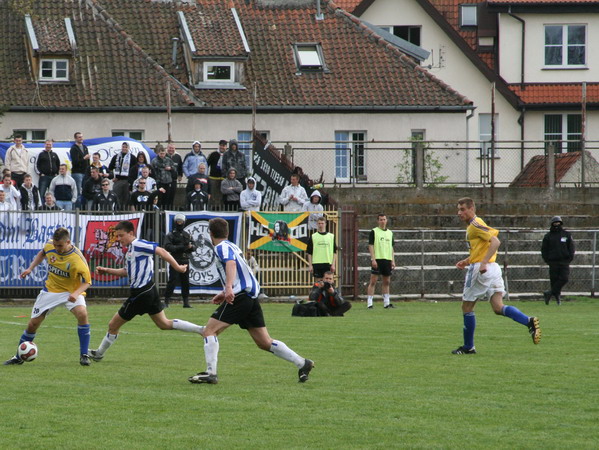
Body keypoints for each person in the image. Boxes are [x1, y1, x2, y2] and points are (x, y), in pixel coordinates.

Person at [188, 217, 314, 384]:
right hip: (249, 296)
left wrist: (229, 289)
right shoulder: (232, 245)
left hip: (240, 297)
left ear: (210, 234)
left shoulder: (220, 247)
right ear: (227, 232)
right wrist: (225, 290)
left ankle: (211, 373)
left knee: (209, 331)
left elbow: (231, 264)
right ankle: (302, 363)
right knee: (264, 342)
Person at [88, 220, 205, 362]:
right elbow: (126, 271)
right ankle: (200, 329)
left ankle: (99, 353)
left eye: (121, 235)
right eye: (117, 236)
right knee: (164, 324)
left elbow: (161, 251)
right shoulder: (131, 249)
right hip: (149, 290)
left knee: (113, 325)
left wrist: (178, 268)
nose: (118, 239)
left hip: (141, 293)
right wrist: (107, 270)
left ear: (131, 233)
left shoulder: (138, 244)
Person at [452, 197, 541, 355]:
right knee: (498, 307)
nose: (460, 212)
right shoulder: (474, 225)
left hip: (482, 269)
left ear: (472, 208)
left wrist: (483, 263)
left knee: (466, 307)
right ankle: (528, 321)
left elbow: (495, 241)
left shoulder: (475, 224)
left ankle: (468, 347)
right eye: (458, 209)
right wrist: (466, 261)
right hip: (493, 268)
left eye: (463, 209)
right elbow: (482, 247)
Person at [4, 227, 92, 366]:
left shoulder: (78, 259)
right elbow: (42, 253)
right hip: (50, 290)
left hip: (71, 291)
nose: (57, 248)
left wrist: (75, 294)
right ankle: (18, 357)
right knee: (33, 324)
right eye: (55, 245)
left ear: (68, 242)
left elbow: (87, 282)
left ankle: (84, 354)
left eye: (60, 245)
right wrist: (30, 268)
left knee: (82, 314)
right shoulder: (50, 245)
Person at [541, 216, 575, 305]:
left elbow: (571, 247)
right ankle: (557, 298)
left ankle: (549, 293)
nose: (557, 224)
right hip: (553, 262)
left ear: (561, 223)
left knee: (564, 278)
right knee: (554, 280)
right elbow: (544, 249)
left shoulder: (566, 235)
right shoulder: (548, 236)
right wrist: (547, 260)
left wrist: (569, 258)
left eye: (558, 223)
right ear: (552, 224)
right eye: (555, 223)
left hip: (564, 261)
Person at [164, 214, 196, 308]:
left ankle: (186, 302)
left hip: (185, 260)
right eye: (178, 221)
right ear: (175, 222)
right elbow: (167, 246)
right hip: (175, 260)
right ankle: (166, 301)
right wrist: (181, 247)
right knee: (172, 281)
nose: (179, 223)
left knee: (185, 281)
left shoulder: (187, 234)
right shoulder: (171, 234)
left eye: (181, 221)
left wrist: (191, 247)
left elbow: (194, 246)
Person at [366, 213, 396, 309]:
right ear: (378, 221)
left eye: (384, 219)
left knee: (386, 281)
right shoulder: (374, 231)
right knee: (373, 281)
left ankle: (386, 302)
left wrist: (393, 260)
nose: (382, 221)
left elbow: (391, 247)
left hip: (387, 259)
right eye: (381, 219)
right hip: (378, 259)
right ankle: (370, 303)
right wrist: (373, 259)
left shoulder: (390, 233)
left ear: (386, 220)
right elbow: (371, 246)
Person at [307, 217, 337, 281]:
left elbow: (334, 252)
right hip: (317, 263)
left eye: (322, 223)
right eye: (319, 223)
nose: (321, 225)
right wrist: (310, 265)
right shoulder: (313, 236)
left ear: (325, 224)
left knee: (328, 282)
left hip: (328, 263)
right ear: (317, 224)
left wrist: (333, 264)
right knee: (318, 282)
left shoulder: (331, 236)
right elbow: (309, 252)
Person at [108, 142, 137, 209]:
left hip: (127, 181)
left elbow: (135, 170)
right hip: (118, 180)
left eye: (126, 147)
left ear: (129, 148)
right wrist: (113, 176)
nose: (124, 148)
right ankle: (117, 213)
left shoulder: (132, 158)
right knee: (116, 197)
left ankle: (125, 214)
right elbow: (110, 168)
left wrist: (131, 180)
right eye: (123, 147)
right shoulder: (116, 157)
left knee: (126, 198)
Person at [151, 144, 175, 208]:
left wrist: (170, 168)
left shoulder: (168, 160)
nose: (162, 155)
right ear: (158, 153)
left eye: (163, 153)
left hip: (168, 182)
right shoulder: (154, 161)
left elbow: (174, 169)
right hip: (159, 182)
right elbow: (152, 171)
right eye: (161, 153)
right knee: (159, 198)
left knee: (167, 199)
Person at [70, 131, 90, 205]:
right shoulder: (73, 149)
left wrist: (88, 170)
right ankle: (77, 210)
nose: (81, 138)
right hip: (77, 172)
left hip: (85, 172)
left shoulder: (85, 147)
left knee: (85, 191)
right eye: (79, 137)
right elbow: (75, 161)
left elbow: (88, 161)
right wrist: (84, 158)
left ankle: (84, 209)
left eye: (82, 137)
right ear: (75, 138)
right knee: (78, 192)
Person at [207, 139, 227, 207]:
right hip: (213, 178)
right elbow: (207, 164)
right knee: (213, 194)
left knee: (222, 195)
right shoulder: (213, 154)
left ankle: (221, 208)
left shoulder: (227, 155)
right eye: (221, 145)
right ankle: (212, 208)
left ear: (226, 147)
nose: (222, 147)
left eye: (224, 146)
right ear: (219, 146)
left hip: (223, 178)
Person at [167, 143, 182, 208]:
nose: (171, 150)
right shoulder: (164, 156)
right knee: (165, 196)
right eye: (170, 148)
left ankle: (170, 210)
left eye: (172, 148)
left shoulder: (178, 157)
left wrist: (180, 175)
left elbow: (180, 167)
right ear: (167, 148)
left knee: (172, 196)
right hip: (165, 180)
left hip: (173, 180)